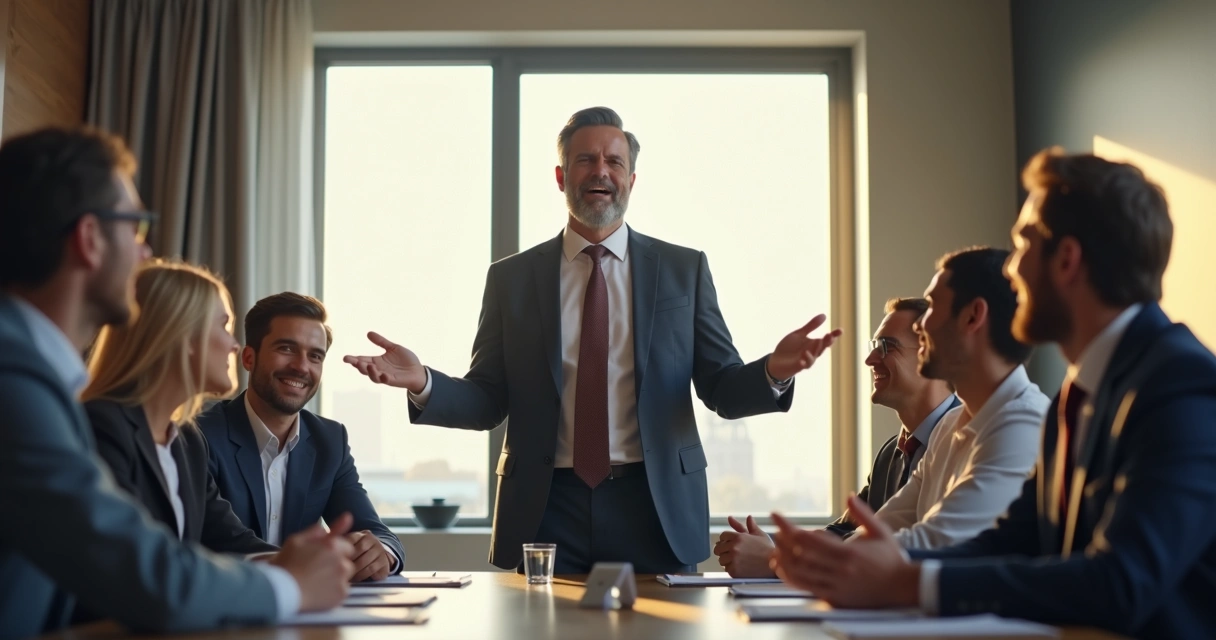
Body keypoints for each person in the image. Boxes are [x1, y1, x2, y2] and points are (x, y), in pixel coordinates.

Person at [343, 106, 841, 573]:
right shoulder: (511, 279)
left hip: (655, 502)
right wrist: (424, 381)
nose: (600, 171)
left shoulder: (683, 271)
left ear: (631, 179)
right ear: (561, 177)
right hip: (545, 506)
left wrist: (774, 371)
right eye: (585, 160)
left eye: (614, 161)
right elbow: (489, 398)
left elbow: (720, 387)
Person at [768, 148, 1216, 639]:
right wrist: (864, 566)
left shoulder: (1180, 385)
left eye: (1024, 245)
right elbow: (1010, 540)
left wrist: (908, 580)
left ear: (1067, 260)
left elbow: (1121, 581)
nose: (1011, 271)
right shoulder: (1077, 393)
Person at [0, 126, 352, 638]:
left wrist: (297, 567)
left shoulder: (39, 378)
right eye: (137, 228)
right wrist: (291, 585)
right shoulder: (16, 381)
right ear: (90, 239)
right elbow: (140, 569)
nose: (146, 256)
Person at [714, 297, 957, 577]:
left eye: (886, 347)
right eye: (873, 346)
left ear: (930, 353)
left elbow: (914, 555)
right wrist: (770, 548)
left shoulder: (964, 439)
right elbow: (846, 532)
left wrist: (773, 560)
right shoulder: (892, 453)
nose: (870, 359)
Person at [200, 292, 404, 582]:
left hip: (307, 613)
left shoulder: (330, 440)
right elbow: (221, 541)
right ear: (249, 357)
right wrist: (306, 566)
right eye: (286, 348)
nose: (302, 366)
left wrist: (380, 553)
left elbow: (376, 531)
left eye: (315, 356)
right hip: (226, 611)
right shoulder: (201, 435)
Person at [83, 260, 277, 556]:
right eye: (223, 326)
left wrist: (319, 563)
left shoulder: (187, 440)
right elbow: (138, 561)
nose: (234, 345)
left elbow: (232, 542)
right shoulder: (100, 427)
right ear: (185, 335)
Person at [868, 247, 1047, 549]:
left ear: (973, 316)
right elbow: (879, 534)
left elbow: (934, 544)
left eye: (934, 305)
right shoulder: (948, 426)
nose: (918, 325)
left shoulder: (1024, 424)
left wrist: (803, 560)